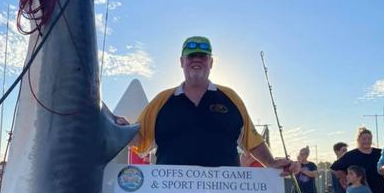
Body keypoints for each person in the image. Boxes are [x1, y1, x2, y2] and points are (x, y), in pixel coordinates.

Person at [118, 36, 299, 174]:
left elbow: (252, 142)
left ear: (211, 62)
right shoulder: (161, 101)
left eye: (203, 56)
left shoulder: (231, 98)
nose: (197, 60)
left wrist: (272, 163)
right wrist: (120, 128)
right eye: (191, 56)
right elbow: (139, 139)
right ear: (181, 62)